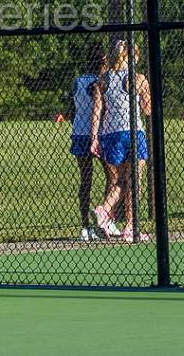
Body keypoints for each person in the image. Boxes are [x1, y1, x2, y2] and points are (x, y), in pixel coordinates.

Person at [90, 41, 152, 243]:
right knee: (134, 181)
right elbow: (147, 109)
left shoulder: (103, 79)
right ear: (133, 57)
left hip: (110, 134)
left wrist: (94, 138)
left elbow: (97, 111)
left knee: (119, 182)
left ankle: (103, 210)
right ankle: (130, 227)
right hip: (133, 132)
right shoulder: (138, 78)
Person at [68, 42, 107, 242]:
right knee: (112, 176)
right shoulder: (100, 82)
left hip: (78, 132)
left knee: (86, 180)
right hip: (96, 134)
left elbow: (72, 108)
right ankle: (106, 217)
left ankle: (85, 226)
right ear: (102, 62)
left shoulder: (76, 81)